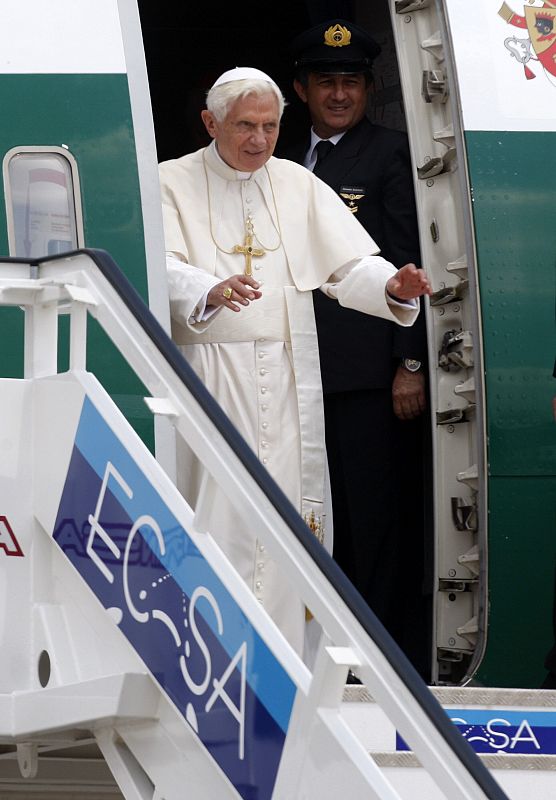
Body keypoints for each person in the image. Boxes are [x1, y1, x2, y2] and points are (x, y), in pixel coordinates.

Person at [158, 66, 431, 656]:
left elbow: (345, 266)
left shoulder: (298, 184)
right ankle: (208, 651)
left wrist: (392, 286)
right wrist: (207, 288)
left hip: (286, 376)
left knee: (287, 517)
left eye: (270, 126)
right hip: (209, 376)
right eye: (244, 126)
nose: (258, 140)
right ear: (211, 123)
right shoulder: (168, 181)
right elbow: (162, 267)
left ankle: (284, 659)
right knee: (217, 511)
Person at [281, 20, 429, 652]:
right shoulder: (277, 153)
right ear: (301, 89)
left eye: (350, 83)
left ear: (368, 90)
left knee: (370, 519)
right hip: (293, 368)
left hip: (366, 377)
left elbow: (408, 263)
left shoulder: (390, 154)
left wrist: (410, 364)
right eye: (325, 82)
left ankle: (376, 653)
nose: (339, 95)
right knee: (308, 513)